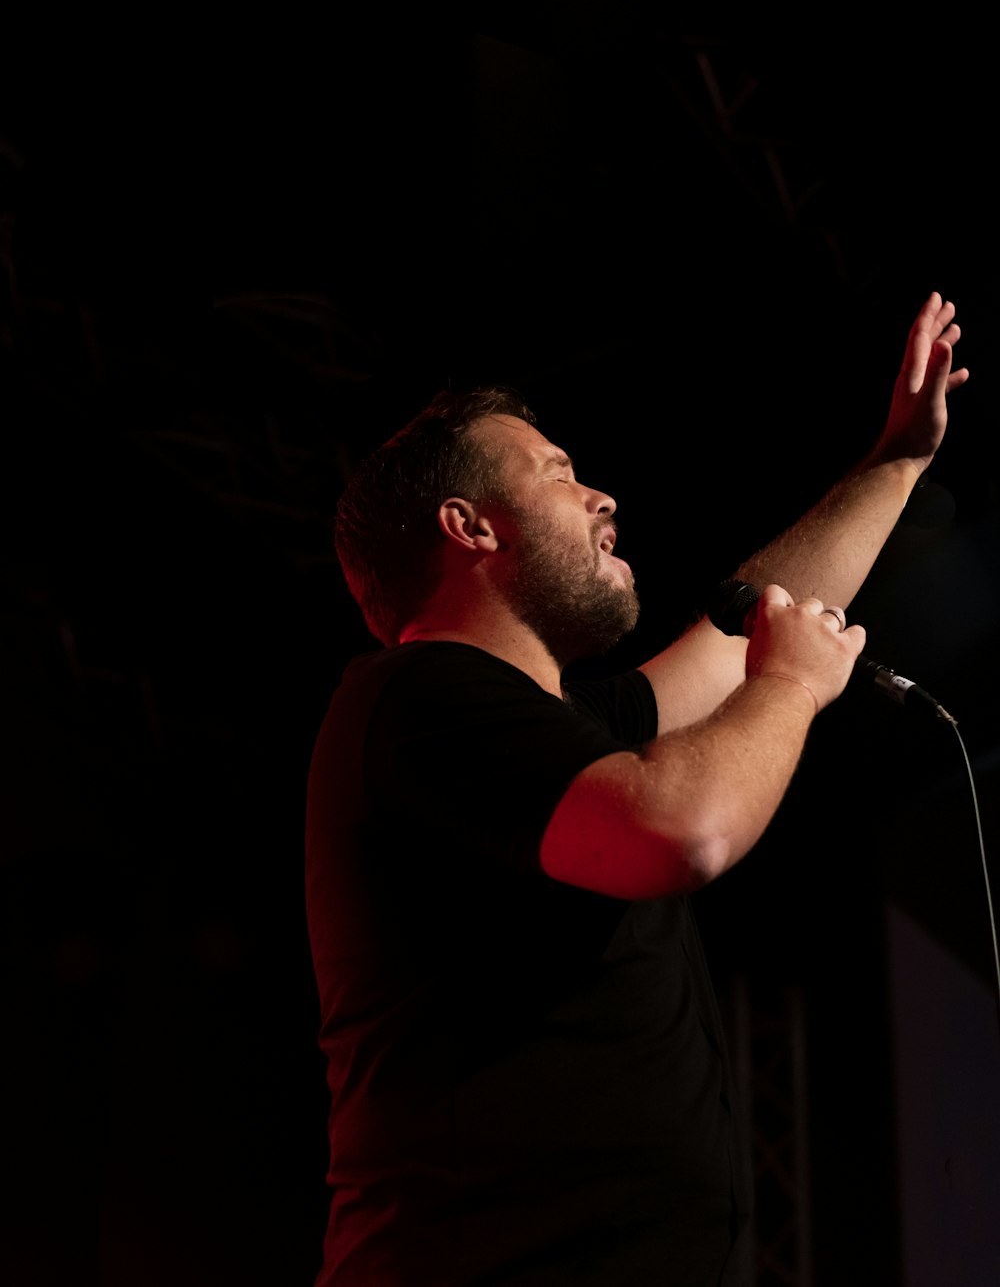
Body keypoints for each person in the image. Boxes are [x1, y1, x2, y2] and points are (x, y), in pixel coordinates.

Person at [304, 292, 969, 1286]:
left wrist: (896, 461)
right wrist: (789, 684)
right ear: (468, 526)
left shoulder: (558, 728)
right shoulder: (416, 700)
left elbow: (753, 619)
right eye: (558, 473)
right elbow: (679, 830)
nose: (601, 497)